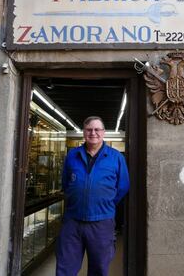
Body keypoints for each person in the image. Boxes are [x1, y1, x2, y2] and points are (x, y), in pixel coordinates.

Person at [56, 116, 130, 276]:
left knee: (99, 268)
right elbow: (66, 183)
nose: (93, 133)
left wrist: (104, 203)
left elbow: (123, 187)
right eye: (89, 129)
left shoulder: (116, 157)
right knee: (65, 268)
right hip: (72, 221)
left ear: (103, 133)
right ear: (84, 132)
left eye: (97, 129)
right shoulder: (72, 155)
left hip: (102, 223)